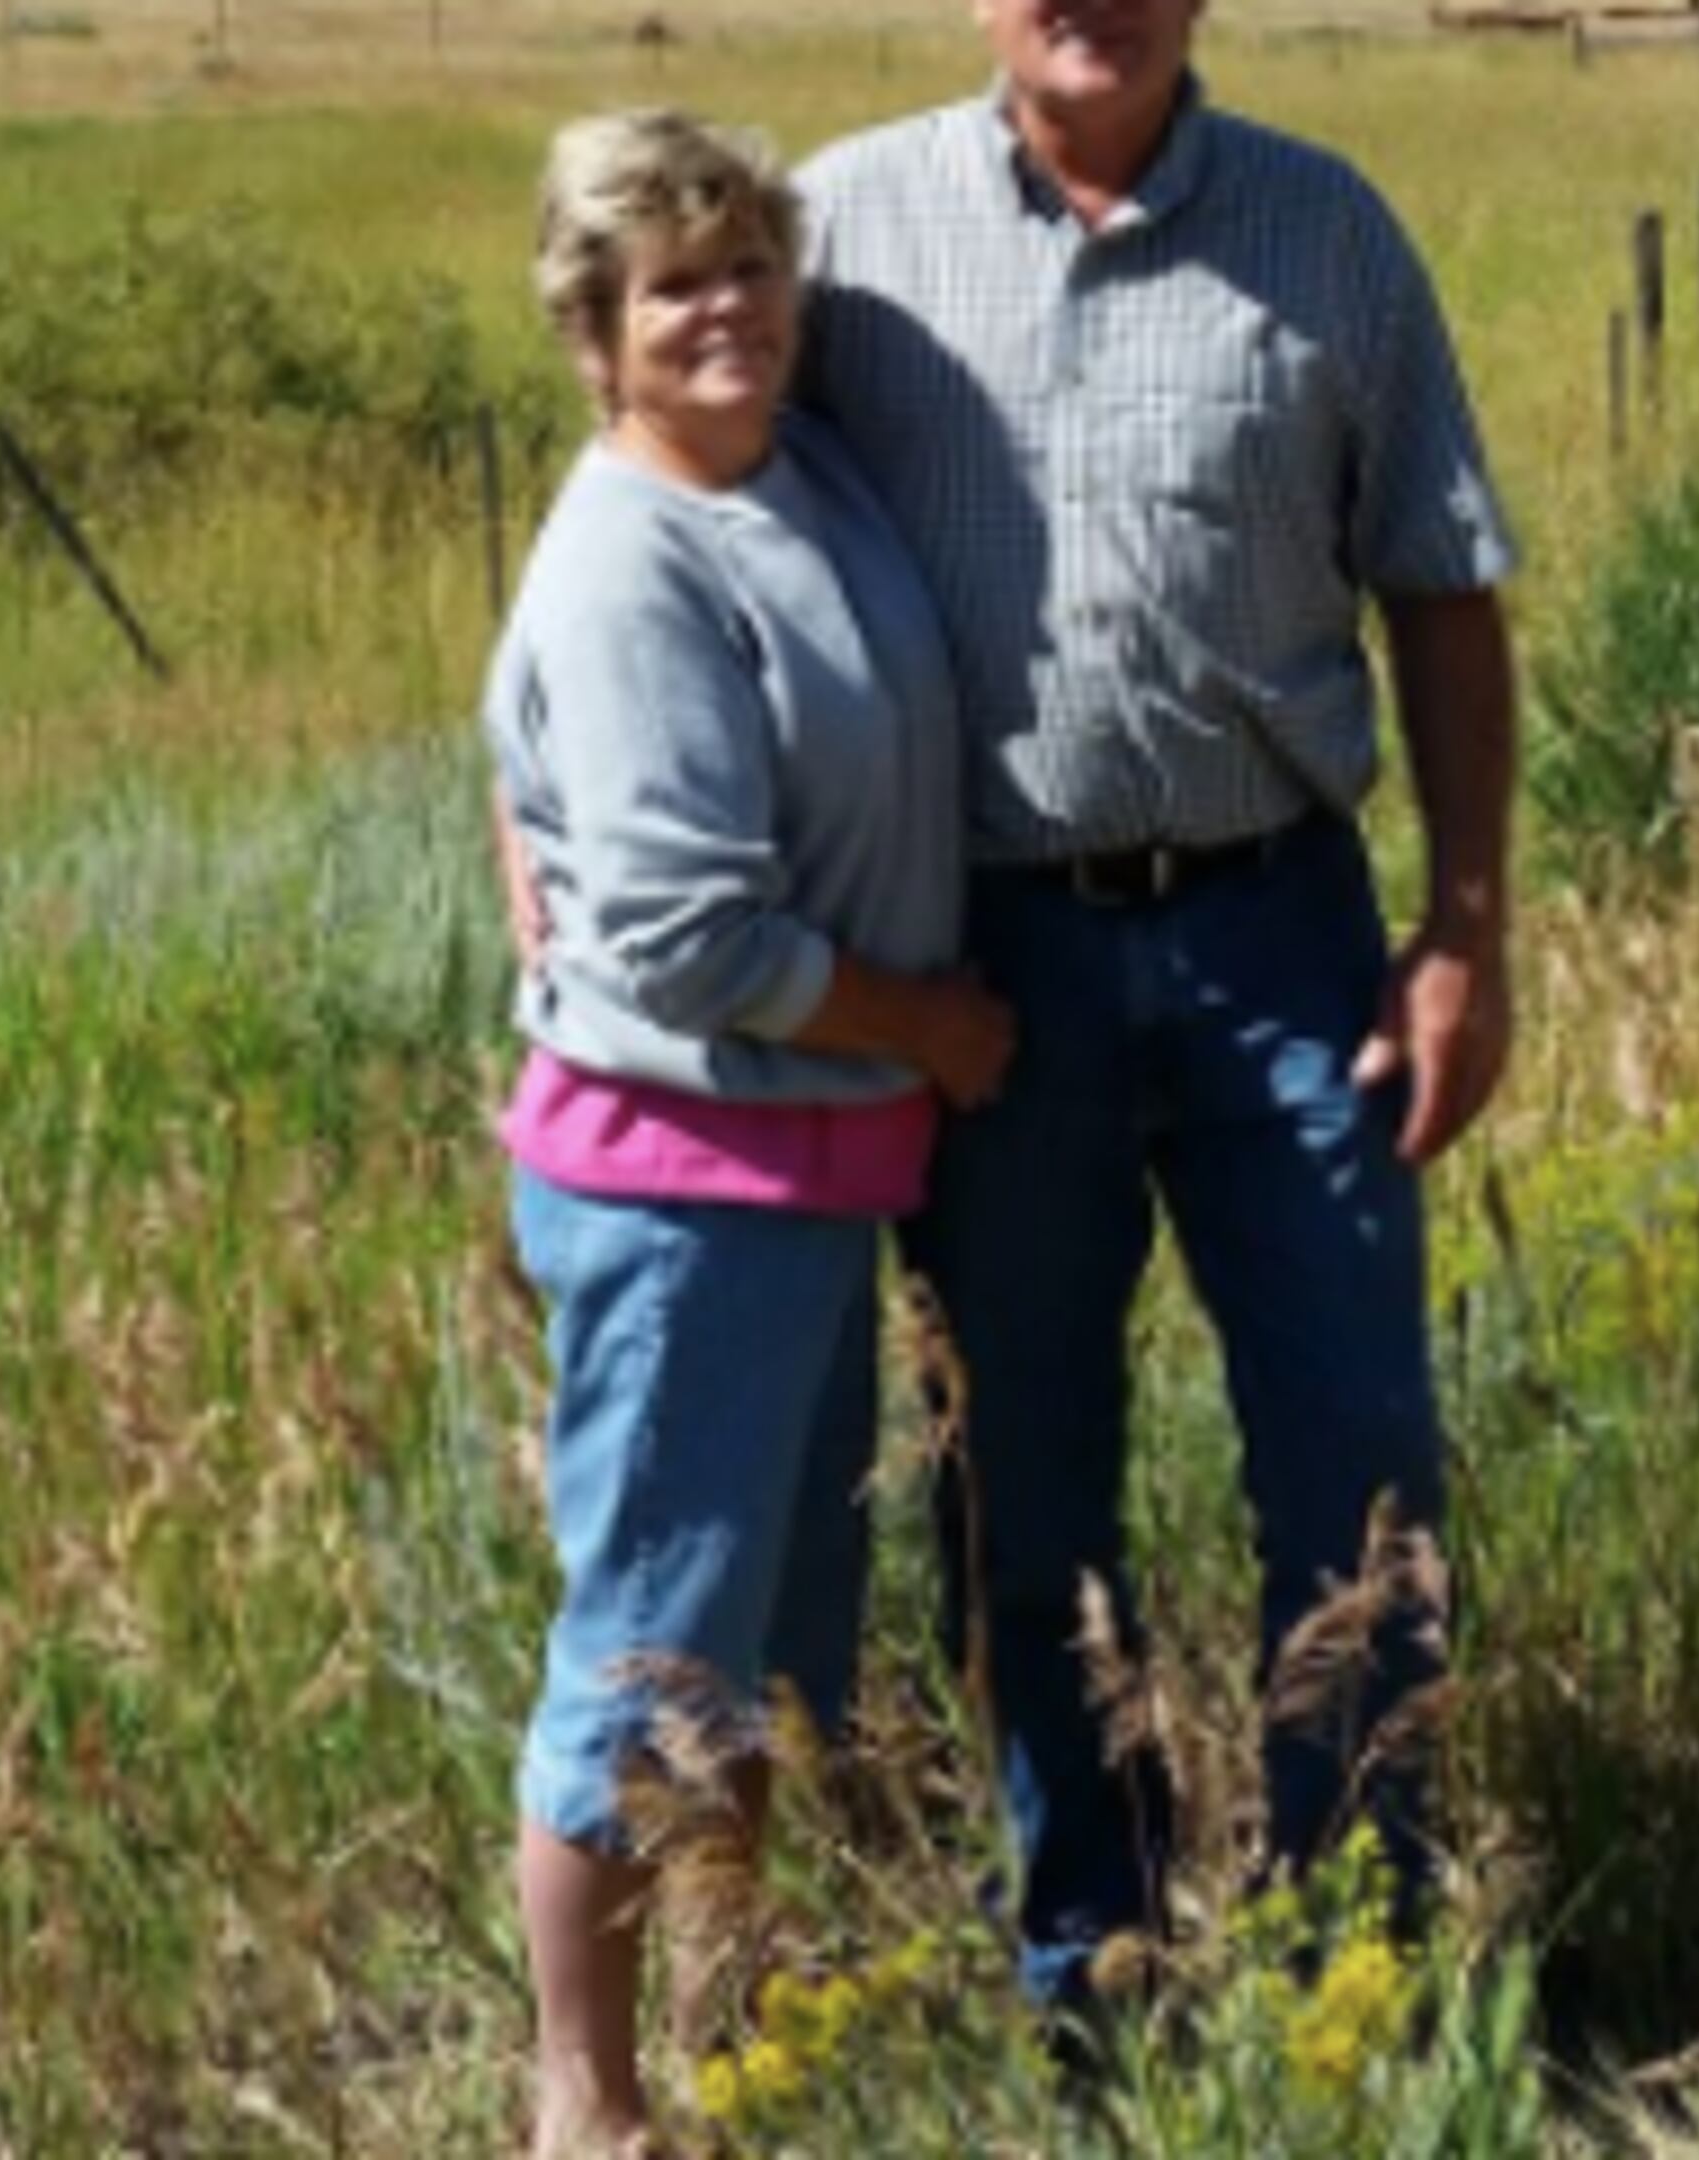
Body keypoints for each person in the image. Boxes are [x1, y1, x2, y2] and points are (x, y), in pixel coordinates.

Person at [791, 0, 1524, 2011]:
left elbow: (1442, 585)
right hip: (984, 968)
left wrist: (1465, 929)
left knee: (1358, 1473)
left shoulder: (1328, 234)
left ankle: (1349, 1974)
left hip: (1285, 949)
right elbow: (682, 504)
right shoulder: (840, 235)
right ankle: (1086, 1975)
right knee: (1020, 1487)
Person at [484, 109, 1015, 2158]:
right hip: (680, 1186)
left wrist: (521, 824)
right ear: (596, 332)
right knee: (652, 1654)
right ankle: (589, 2107)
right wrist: (934, 1026)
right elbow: (700, 942)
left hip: (798, 1177)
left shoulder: (786, 475)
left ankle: (737, 2035)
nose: (725, 312)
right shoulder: (632, 553)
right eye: (672, 286)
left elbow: (515, 728)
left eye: (749, 269)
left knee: (764, 1652)